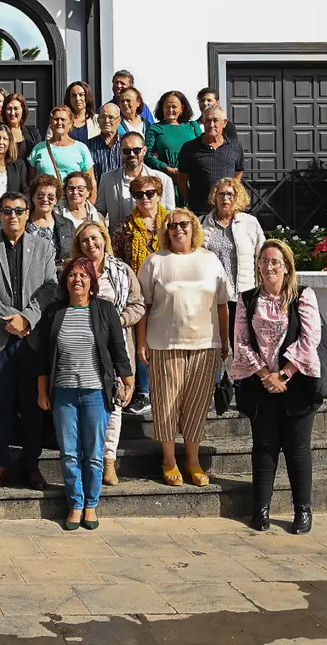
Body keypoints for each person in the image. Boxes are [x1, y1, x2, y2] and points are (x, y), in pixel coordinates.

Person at [33, 257, 133, 529]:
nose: (77, 280)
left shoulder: (105, 310)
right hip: (63, 393)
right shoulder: (54, 312)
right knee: (69, 452)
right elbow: (44, 357)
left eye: (83, 275)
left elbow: (118, 350)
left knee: (94, 453)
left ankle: (92, 504)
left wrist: (128, 381)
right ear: (66, 282)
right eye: (72, 275)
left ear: (92, 282)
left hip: (96, 393)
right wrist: (43, 390)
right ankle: (75, 504)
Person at [231, 240, 321, 534]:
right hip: (261, 383)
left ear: (287, 267)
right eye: (264, 261)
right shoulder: (247, 299)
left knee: (297, 450)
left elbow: (310, 340)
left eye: (275, 262)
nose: (269, 267)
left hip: (296, 383)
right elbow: (241, 342)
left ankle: (302, 511)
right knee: (264, 447)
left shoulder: (303, 296)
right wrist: (264, 374)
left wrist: (283, 374)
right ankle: (261, 509)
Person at [137, 208, 231, 487]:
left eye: (184, 225)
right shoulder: (155, 261)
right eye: (172, 225)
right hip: (164, 344)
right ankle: (168, 461)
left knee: (196, 406)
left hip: (206, 344)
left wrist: (225, 342)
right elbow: (143, 305)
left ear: (193, 229)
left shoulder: (210, 260)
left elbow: (223, 304)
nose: (178, 229)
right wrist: (140, 342)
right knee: (166, 404)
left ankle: (192, 460)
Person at [0, 192, 57, 491]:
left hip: (31, 339)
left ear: (28, 213)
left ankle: (31, 464)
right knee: (0, 404)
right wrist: (11, 319)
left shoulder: (44, 246)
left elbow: (49, 288)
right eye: (8, 210)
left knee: (33, 404)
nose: (14, 216)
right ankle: (0, 464)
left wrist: (27, 319)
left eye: (20, 210)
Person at [69, 222, 145, 486]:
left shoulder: (122, 271)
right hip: (81, 346)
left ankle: (108, 461)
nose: (91, 245)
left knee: (115, 404)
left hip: (117, 346)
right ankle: (87, 458)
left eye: (95, 238)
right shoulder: (72, 272)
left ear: (104, 239)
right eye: (84, 241)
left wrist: (117, 322)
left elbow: (138, 305)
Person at [110, 173, 170, 418]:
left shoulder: (172, 222)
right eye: (138, 195)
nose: (144, 199)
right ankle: (143, 391)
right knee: (140, 342)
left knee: (165, 340)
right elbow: (115, 254)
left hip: (167, 290)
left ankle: (165, 389)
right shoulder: (125, 224)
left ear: (158, 194)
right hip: (136, 291)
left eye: (149, 194)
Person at [201, 177, 265, 324]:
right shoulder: (202, 223)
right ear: (215, 197)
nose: (225, 198)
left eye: (230, 194)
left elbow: (261, 257)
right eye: (221, 194)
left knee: (241, 342)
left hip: (243, 295)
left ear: (238, 198)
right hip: (212, 296)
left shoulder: (250, 223)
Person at [95, 131, 175, 230]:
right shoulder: (107, 179)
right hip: (119, 240)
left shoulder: (163, 179)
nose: (132, 154)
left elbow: (170, 214)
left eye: (137, 150)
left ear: (145, 150)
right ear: (121, 151)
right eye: (127, 151)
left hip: (156, 241)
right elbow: (99, 211)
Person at [178, 106, 245, 215]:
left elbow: (238, 171)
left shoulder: (235, 147)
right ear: (203, 122)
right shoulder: (190, 148)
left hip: (227, 210)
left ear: (224, 123)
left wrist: (231, 193)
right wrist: (191, 200)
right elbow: (182, 177)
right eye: (208, 120)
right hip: (200, 211)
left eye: (215, 120)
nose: (211, 124)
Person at [28, 107, 96, 198]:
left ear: (71, 124)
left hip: (73, 203)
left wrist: (89, 207)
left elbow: (90, 182)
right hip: (46, 203)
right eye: (56, 119)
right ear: (50, 123)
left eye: (63, 119)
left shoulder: (81, 149)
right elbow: (31, 181)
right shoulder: (38, 149)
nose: (59, 123)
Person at [145, 90, 201, 183]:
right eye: (167, 106)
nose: (170, 110)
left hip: (192, 179)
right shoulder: (155, 128)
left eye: (174, 107)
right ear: (162, 108)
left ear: (182, 108)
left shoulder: (193, 126)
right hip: (166, 179)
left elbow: (203, 149)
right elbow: (147, 155)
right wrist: (166, 168)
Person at [26, 175, 74, 264]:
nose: (45, 199)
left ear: (56, 200)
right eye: (40, 195)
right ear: (33, 197)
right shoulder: (23, 223)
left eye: (50, 197)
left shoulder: (67, 224)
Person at [1, 93, 43, 164]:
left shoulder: (33, 133)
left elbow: (40, 157)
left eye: (16, 108)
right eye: (9, 109)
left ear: (23, 110)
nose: (12, 113)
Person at [86, 103, 124, 182]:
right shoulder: (88, 146)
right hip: (99, 191)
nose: (106, 121)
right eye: (103, 117)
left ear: (119, 120)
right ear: (98, 120)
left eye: (111, 117)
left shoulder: (127, 143)